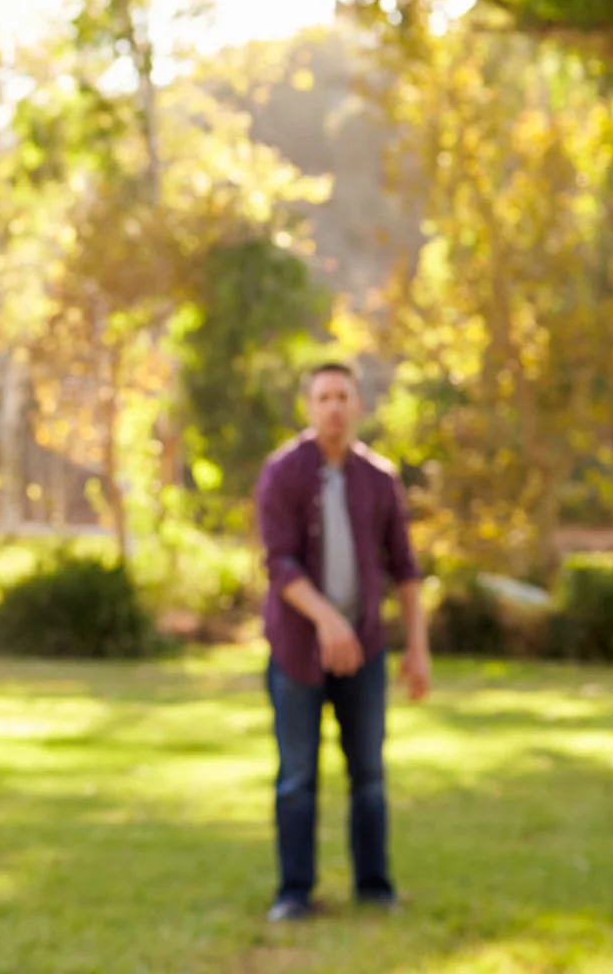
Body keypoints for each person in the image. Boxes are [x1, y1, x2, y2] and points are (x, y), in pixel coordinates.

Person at [252, 362, 431, 923]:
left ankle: (375, 887)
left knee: (370, 777)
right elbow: (278, 563)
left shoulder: (379, 479)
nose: (333, 406)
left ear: (358, 406)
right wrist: (327, 619)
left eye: (342, 396)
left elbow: (405, 569)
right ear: (309, 406)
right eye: (323, 396)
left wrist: (418, 648)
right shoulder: (282, 473)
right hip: (297, 653)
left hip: (367, 653)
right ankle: (294, 893)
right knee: (298, 778)